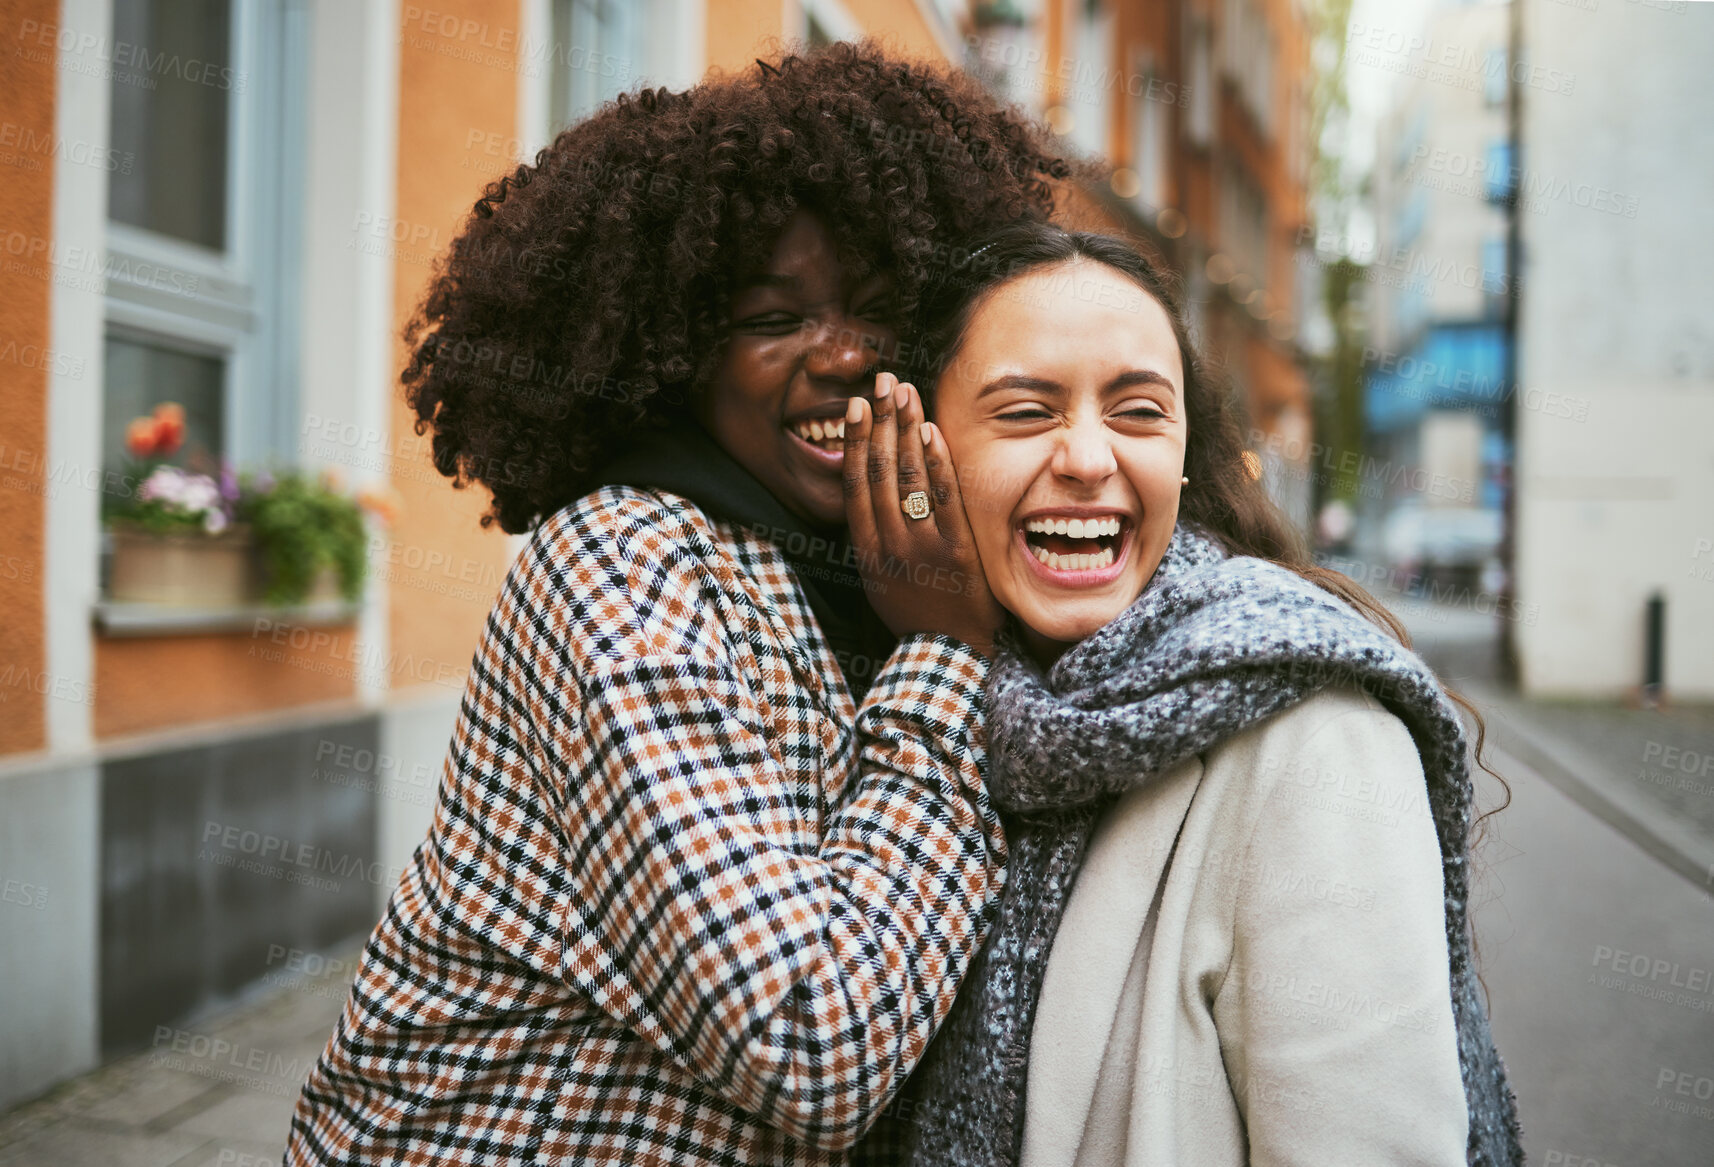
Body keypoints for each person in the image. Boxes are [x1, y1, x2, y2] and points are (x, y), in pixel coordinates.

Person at [284, 43, 1073, 1165]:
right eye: (771, 320)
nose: (842, 353)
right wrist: (945, 653)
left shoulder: (880, 555)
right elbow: (813, 1044)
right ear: (675, 355)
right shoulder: (630, 567)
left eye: (880, 309)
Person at [847, 221, 1523, 1166]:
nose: (1088, 458)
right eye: (1026, 411)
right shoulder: (918, 707)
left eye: (1137, 412)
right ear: (915, 455)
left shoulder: (1315, 741)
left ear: (1186, 453)